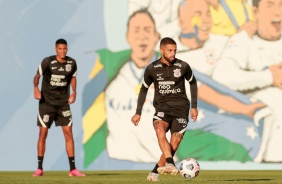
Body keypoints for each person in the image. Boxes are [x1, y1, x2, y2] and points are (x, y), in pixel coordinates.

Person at [82, 9, 161, 167]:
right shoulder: (109, 68)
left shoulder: (172, 71)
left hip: (158, 162)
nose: (142, 36)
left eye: (147, 30)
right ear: (127, 37)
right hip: (117, 162)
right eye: (136, 30)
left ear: (156, 36)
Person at [212, 0, 282, 162]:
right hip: (260, 141)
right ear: (255, 12)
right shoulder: (243, 41)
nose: (277, 12)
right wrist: (268, 77)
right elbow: (221, 77)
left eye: (281, 5)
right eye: (270, 6)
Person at [131, 37, 198, 181]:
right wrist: (138, 112)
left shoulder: (183, 66)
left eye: (175, 50)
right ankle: (170, 163)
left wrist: (194, 107)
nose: (173, 53)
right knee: (159, 130)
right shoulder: (152, 68)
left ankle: (155, 172)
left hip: (181, 110)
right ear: (161, 50)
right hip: (162, 109)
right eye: (170, 50)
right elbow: (143, 89)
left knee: (174, 143)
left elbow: (193, 83)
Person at [33, 39, 85, 176]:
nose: (62, 51)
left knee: (69, 134)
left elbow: (73, 77)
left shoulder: (71, 63)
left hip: (63, 104)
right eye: (60, 49)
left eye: (65, 49)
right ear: (55, 49)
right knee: (43, 134)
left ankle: (73, 169)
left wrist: (74, 92)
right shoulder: (47, 62)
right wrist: (35, 89)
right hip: (46, 104)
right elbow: (37, 76)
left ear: (67, 49)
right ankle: (39, 168)